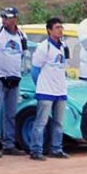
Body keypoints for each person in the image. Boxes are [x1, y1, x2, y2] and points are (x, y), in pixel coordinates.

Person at [29, 18, 70, 160]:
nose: (60, 30)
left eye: (61, 27)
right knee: (41, 122)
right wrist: (39, 86)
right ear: (49, 30)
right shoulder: (43, 47)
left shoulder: (64, 46)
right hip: (46, 91)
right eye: (57, 27)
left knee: (59, 122)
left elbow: (64, 67)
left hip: (60, 90)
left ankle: (56, 148)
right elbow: (35, 69)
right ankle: (36, 150)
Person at [0, 7, 26, 154]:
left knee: (11, 113)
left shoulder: (21, 35)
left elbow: (23, 55)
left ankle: (9, 144)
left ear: (15, 19)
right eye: (3, 18)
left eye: (8, 18)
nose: (4, 20)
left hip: (15, 77)